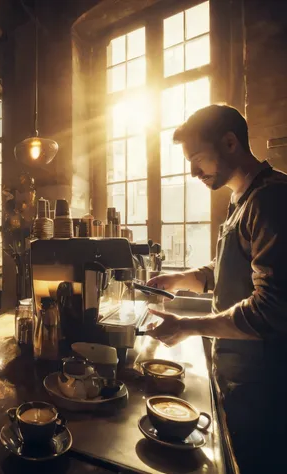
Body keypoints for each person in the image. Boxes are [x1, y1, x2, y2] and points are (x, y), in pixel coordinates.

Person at [146, 104, 287, 473]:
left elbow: (271, 308)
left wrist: (189, 326)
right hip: (238, 379)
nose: (193, 172)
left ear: (229, 143)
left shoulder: (271, 199)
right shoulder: (241, 198)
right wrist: (180, 281)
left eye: (197, 159)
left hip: (265, 388)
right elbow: (225, 268)